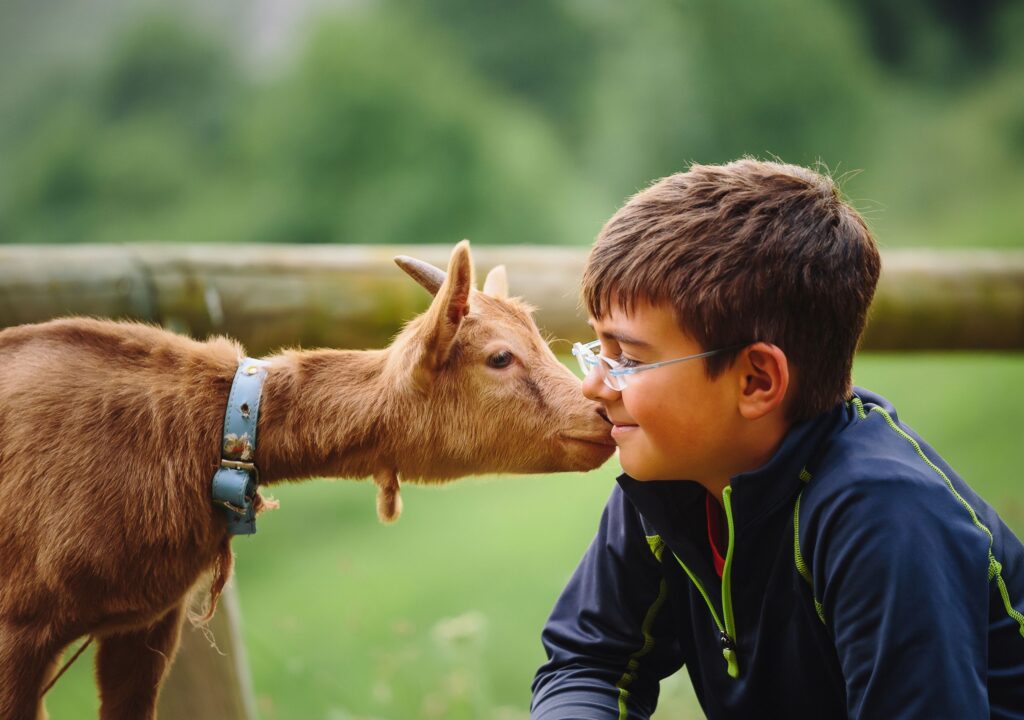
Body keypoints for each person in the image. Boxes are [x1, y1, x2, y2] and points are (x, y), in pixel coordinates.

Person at [530, 159, 1024, 718]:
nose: (593, 386)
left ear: (757, 381)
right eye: (598, 350)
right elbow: (587, 663)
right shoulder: (673, 483)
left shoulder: (885, 517)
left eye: (630, 359)